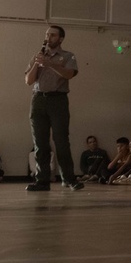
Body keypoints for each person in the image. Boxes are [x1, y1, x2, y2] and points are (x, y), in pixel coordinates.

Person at [24, 25, 83, 192]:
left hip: (58, 100)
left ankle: (69, 179)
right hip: (38, 99)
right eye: (47, 34)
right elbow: (28, 81)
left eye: (53, 35)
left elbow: (69, 74)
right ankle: (42, 181)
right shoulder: (37, 56)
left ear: (61, 39)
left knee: (61, 140)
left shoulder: (68, 56)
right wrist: (37, 64)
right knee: (40, 143)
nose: (48, 38)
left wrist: (50, 64)